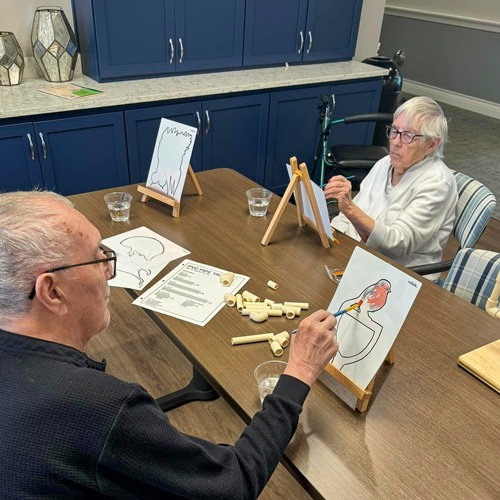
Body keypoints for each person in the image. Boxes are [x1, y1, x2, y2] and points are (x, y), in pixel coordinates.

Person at [0, 190, 338, 499]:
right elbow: (233, 484)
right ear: (52, 291)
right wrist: (299, 373)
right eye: (97, 258)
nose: (110, 271)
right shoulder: (98, 407)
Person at [325, 96, 457, 281]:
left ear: (432, 144)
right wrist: (330, 236)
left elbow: (394, 245)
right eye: (394, 131)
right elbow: (347, 218)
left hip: (400, 278)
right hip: (359, 259)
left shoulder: (436, 184)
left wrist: (349, 209)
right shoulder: (385, 163)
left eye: (408, 136)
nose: (395, 142)